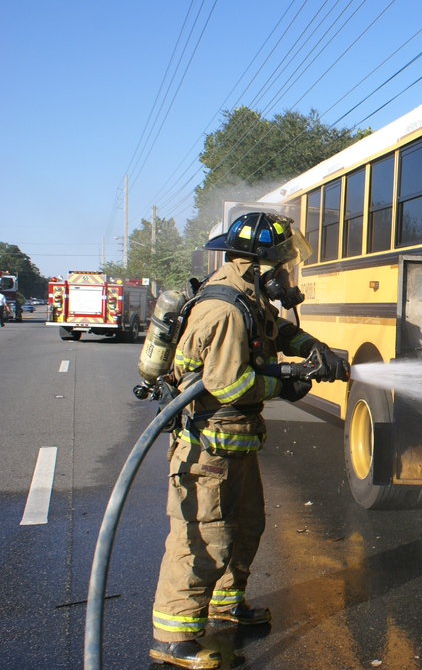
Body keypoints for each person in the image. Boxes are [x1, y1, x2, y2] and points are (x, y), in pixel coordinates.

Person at [149, 212, 349, 669]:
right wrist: (288, 382)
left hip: (236, 446)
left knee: (246, 527)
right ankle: (171, 637)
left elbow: (277, 332)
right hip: (208, 449)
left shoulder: (249, 298)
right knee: (203, 539)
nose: (286, 274)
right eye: (281, 264)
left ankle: (226, 605)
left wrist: (314, 350)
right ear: (257, 264)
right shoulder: (223, 310)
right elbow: (230, 386)